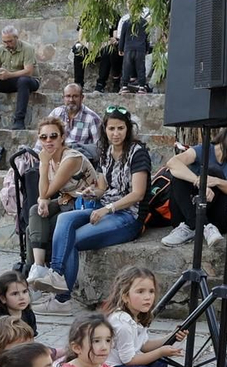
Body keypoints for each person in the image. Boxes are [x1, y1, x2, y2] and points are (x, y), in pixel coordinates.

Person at [47, 106, 153, 299]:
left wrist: (107, 208)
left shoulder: (138, 153)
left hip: (129, 216)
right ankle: (55, 276)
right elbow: (102, 188)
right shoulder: (105, 151)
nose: (116, 133)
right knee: (64, 220)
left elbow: (138, 193)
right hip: (104, 207)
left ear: (128, 129)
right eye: (111, 128)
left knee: (72, 240)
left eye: (120, 128)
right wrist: (92, 192)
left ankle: (60, 300)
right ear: (104, 129)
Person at [22, 118, 101, 294]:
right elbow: (43, 195)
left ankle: (38, 277)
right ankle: (38, 268)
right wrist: (43, 200)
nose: (48, 141)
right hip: (67, 201)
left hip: (86, 204)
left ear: (62, 137)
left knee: (36, 229)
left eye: (53, 136)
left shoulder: (70, 158)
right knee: (35, 212)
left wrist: (42, 165)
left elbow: (46, 192)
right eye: (43, 137)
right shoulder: (50, 158)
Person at [104, 265, 181, 367]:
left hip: (122, 365)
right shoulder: (123, 323)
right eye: (140, 292)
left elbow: (143, 345)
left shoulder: (137, 314)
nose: (148, 297)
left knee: (162, 361)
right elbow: (130, 361)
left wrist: (172, 336)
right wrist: (160, 351)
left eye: (151, 291)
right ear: (125, 296)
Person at [51, 83, 104, 159]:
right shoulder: (56, 113)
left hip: (78, 160)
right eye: (68, 96)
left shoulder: (91, 118)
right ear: (63, 98)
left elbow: (99, 147)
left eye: (75, 96)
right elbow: (44, 137)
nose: (71, 100)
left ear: (82, 98)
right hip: (56, 157)